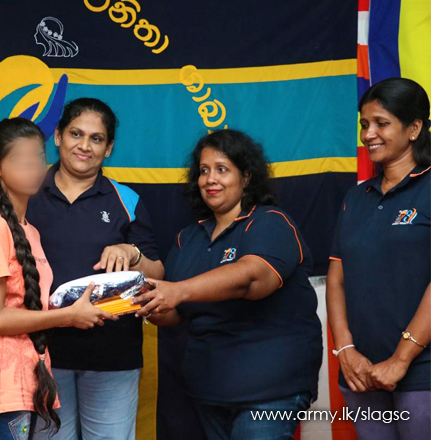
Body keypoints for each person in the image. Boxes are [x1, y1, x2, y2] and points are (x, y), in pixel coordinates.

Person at [133, 129, 322, 440]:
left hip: (269, 390)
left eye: (222, 169)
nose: (210, 179)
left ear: (245, 177)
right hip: (208, 391)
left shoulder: (270, 221)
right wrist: (148, 304)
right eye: (204, 170)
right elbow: (177, 314)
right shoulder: (187, 238)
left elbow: (251, 278)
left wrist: (177, 290)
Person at [0, 117, 117, 440]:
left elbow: (32, 307)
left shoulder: (29, 230)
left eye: (38, 157)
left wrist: (90, 307)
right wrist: (68, 316)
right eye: (21, 159)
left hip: (29, 380)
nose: (33, 167)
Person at [28, 98, 164, 439]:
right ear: (57, 136)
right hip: (42, 354)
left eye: (96, 138)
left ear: (109, 148)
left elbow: (158, 274)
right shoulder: (26, 192)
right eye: (76, 134)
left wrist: (132, 252)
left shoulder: (126, 200)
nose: (84, 146)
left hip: (112, 355)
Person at [326, 77, 430, 439]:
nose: (368, 134)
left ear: (414, 128)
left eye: (381, 123)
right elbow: (337, 277)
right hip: (361, 372)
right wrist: (346, 350)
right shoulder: (356, 198)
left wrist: (401, 359)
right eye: (364, 124)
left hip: (421, 371)